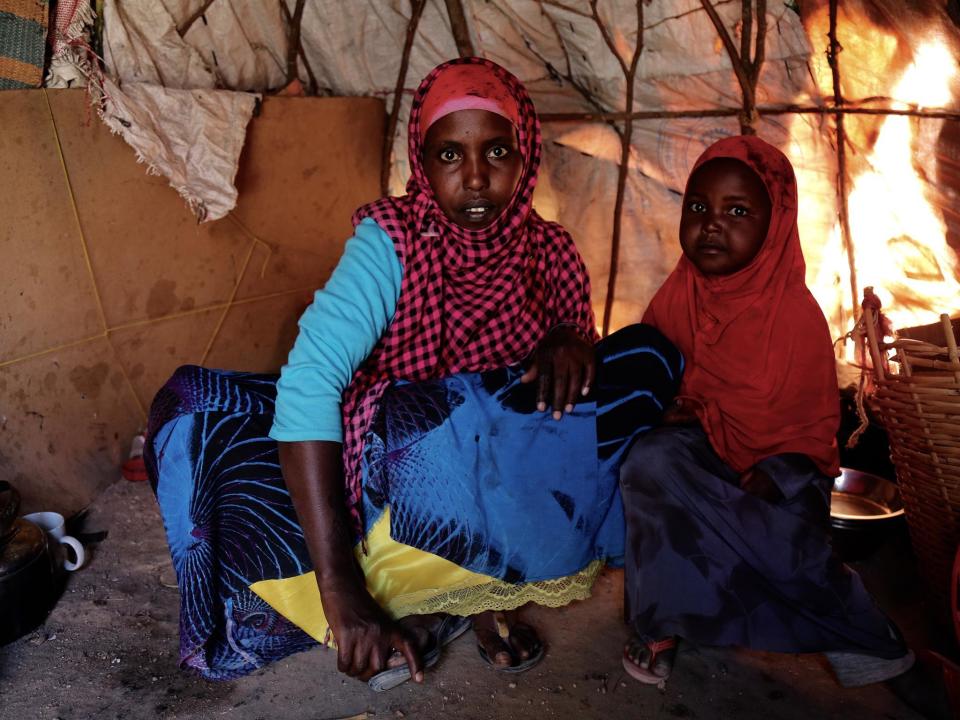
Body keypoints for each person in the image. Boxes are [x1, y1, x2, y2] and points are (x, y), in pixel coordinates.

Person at [145, 57, 681, 688]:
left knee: (644, 362)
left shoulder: (552, 251)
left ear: (527, 153)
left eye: (497, 151)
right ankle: (414, 597)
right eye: (450, 155)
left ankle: (478, 598)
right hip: (405, 484)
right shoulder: (391, 242)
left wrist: (573, 340)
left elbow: (571, 402)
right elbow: (309, 384)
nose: (476, 179)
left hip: (503, 481)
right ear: (421, 164)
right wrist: (340, 591)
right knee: (407, 427)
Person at [618, 135, 915, 688]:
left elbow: (810, 433)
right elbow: (649, 380)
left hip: (776, 478)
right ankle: (660, 619)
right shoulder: (678, 295)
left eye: (737, 212)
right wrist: (672, 412)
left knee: (771, 529)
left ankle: (857, 630)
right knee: (649, 461)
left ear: (775, 223)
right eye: (698, 207)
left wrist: (776, 472)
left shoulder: (795, 317)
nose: (711, 224)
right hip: (699, 462)